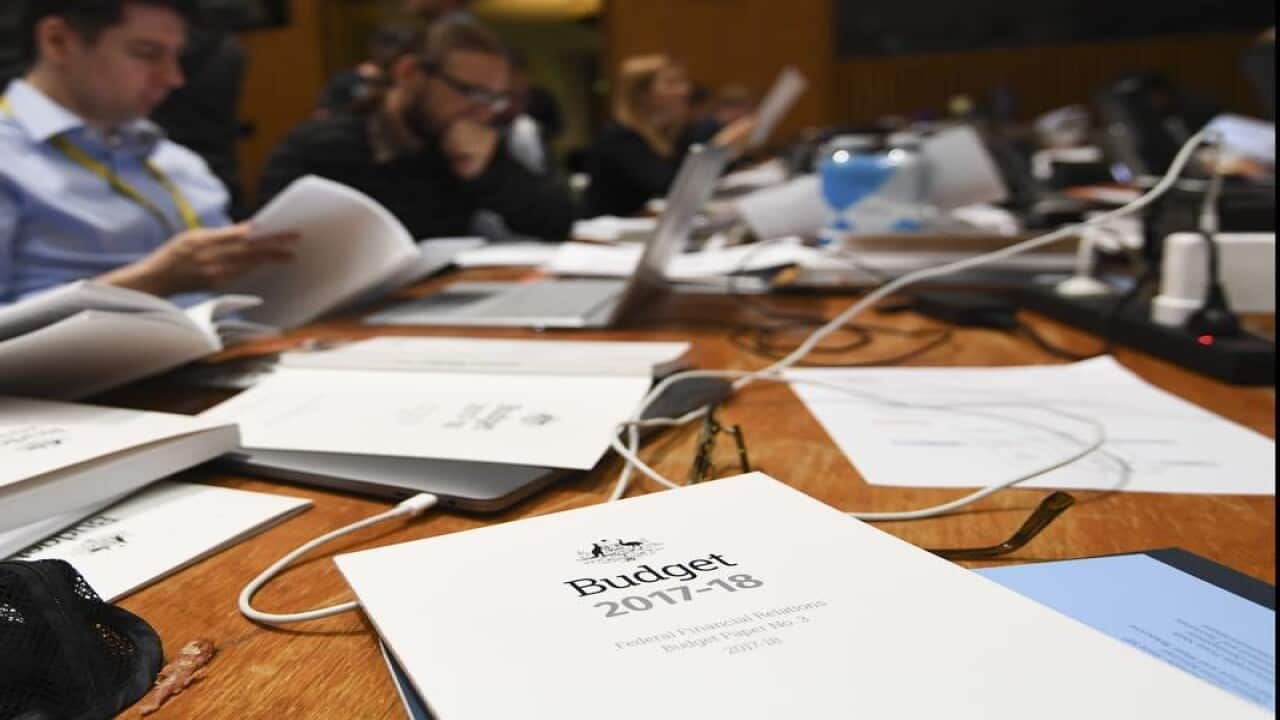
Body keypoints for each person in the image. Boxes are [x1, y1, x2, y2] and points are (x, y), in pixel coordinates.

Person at [0, 0, 296, 304]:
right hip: (95, 352)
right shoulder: (7, 158)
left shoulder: (179, 163)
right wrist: (150, 281)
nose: (173, 78)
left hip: (247, 341)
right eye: (147, 54)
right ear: (57, 41)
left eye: (176, 56)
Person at [258, 17, 574, 241]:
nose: (484, 112)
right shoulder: (318, 148)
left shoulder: (463, 144)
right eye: (471, 92)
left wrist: (489, 170)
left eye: (494, 99)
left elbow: (559, 222)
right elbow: (272, 249)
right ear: (409, 73)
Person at [583, 55, 753, 218]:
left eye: (684, 82)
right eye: (672, 83)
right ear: (642, 93)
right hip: (605, 235)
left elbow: (695, 181)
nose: (685, 90)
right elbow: (670, 186)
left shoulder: (670, 133)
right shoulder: (619, 137)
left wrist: (731, 152)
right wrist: (718, 148)